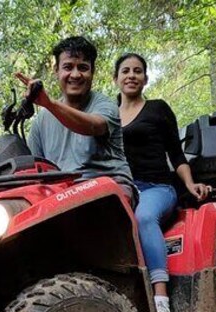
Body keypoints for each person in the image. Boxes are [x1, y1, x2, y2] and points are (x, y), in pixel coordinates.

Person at [115, 53, 210, 312]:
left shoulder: (157, 109)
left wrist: (190, 184)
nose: (131, 75)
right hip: (124, 189)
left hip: (157, 188)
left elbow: (176, 155)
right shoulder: (108, 114)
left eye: (137, 71)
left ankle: (161, 297)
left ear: (145, 78)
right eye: (125, 71)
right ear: (116, 78)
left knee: (144, 217)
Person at [16, 36, 135, 201]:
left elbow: (94, 126)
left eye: (83, 68)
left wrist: (49, 104)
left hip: (109, 186)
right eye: (68, 67)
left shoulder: (105, 105)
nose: (75, 74)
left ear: (92, 72)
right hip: (62, 195)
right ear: (56, 70)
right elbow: (35, 169)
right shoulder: (41, 121)